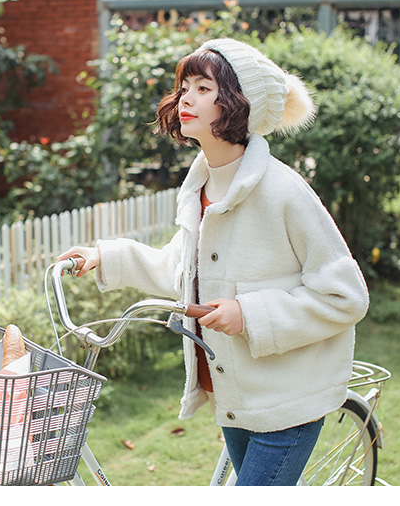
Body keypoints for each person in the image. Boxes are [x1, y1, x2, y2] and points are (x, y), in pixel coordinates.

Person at [57, 38, 369, 486]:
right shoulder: (201, 184)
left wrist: (249, 314)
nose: (185, 98)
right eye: (185, 87)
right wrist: (105, 256)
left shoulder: (284, 191)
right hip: (234, 396)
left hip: (287, 403)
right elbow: (183, 271)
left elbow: (346, 296)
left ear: (239, 103)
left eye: (204, 88)